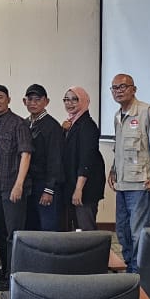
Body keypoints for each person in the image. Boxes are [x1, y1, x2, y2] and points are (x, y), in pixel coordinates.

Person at [108, 73, 150, 273]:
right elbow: (119, 148)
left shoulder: (146, 112)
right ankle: (129, 268)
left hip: (141, 184)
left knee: (138, 233)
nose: (119, 91)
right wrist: (113, 169)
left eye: (123, 86)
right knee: (122, 231)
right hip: (122, 183)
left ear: (134, 89)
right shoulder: (118, 115)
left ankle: (139, 273)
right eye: (115, 88)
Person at [0, 84, 32, 288]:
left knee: (14, 234)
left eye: (0, 97)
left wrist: (19, 184)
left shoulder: (18, 124)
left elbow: (26, 154)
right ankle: (5, 272)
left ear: (9, 99)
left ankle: (14, 277)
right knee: (1, 232)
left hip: (12, 188)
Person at [60, 86, 104, 232]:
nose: (69, 103)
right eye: (66, 99)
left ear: (84, 101)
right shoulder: (71, 124)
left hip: (86, 187)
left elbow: (86, 160)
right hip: (72, 184)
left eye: (74, 99)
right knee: (75, 229)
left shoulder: (87, 126)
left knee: (86, 229)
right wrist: (62, 131)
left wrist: (79, 189)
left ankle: (93, 249)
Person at [23, 84, 64, 231]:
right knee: (30, 228)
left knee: (48, 228)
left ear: (46, 101)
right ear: (24, 101)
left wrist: (49, 189)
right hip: (29, 185)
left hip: (45, 184)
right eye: (30, 99)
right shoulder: (25, 123)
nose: (33, 103)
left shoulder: (52, 126)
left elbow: (56, 159)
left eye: (37, 99)